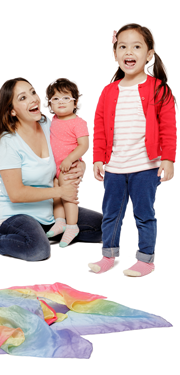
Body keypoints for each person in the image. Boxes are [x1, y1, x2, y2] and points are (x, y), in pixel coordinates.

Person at [0, 78, 102, 261]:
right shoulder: (7, 143)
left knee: (105, 227)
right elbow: (16, 194)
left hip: (52, 211)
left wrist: (81, 165)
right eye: (23, 98)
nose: (33, 99)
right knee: (38, 251)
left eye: (33, 92)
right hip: (18, 215)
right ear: (12, 111)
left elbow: (67, 151)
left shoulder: (48, 124)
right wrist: (60, 191)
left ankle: (49, 233)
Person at [88, 23, 176, 277]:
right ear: (115, 53)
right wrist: (98, 158)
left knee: (144, 214)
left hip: (145, 167)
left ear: (149, 54)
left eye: (137, 46)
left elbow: (168, 127)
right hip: (115, 167)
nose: (129, 52)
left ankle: (146, 259)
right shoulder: (108, 91)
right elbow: (100, 128)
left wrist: (168, 159)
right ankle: (108, 255)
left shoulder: (159, 88)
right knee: (111, 214)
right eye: (123, 46)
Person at [45, 79, 89, 247]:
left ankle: (72, 226)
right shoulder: (53, 120)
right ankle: (60, 222)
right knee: (56, 194)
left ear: (75, 102)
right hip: (54, 168)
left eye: (65, 98)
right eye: (55, 99)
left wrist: (70, 159)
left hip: (68, 167)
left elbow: (84, 145)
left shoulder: (78, 123)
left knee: (68, 196)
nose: (60, 102)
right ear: (50, 104)